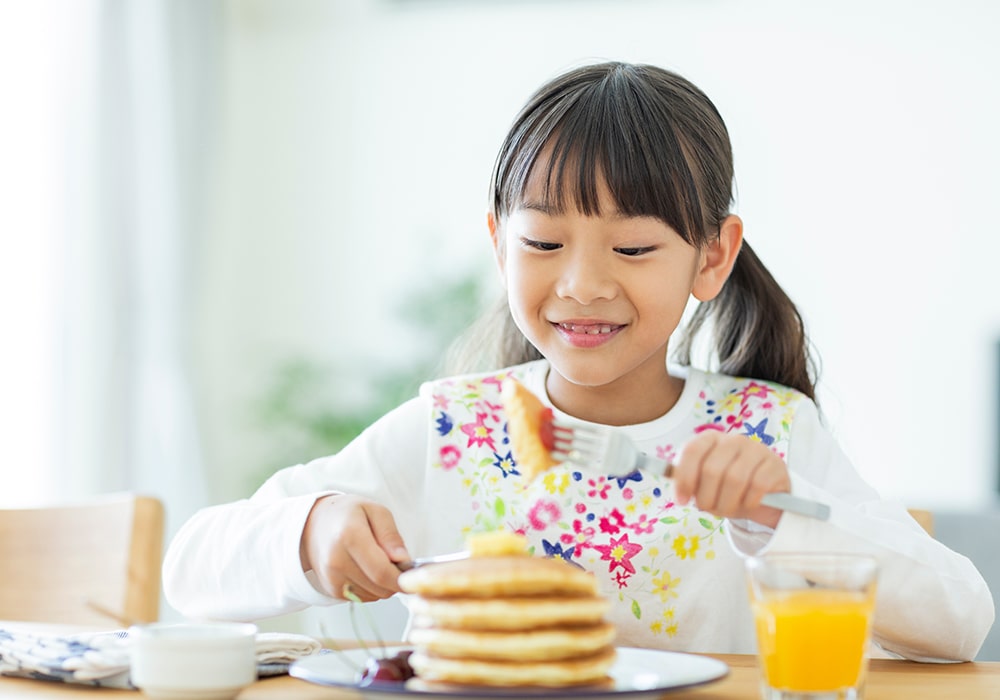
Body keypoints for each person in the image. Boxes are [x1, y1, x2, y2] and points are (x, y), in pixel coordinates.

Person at [163, 61, 993, 661]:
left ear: (712, 256)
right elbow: (191, 571)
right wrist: (311, 530)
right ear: (499, 244)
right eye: (544, 243)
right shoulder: (457, 428)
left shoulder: (767, 433)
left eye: (632, 248)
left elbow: (962, 621)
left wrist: (778, 513)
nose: (583, 284)